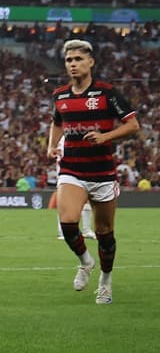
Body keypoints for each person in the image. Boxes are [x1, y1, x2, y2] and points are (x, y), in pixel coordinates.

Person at [47, 39, 139, 305]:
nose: (73, 64)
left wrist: (106, 136)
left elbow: (133, 126)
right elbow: (56, 122)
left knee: (105, 233)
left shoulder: (107, 93)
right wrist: (53, 145)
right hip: (72, 170)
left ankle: (106, 280)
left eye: (78, 59)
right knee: (67, 222)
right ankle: (85, 261)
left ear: (90, 62)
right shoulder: (60, 96)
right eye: (69, 60)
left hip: (102, 173)